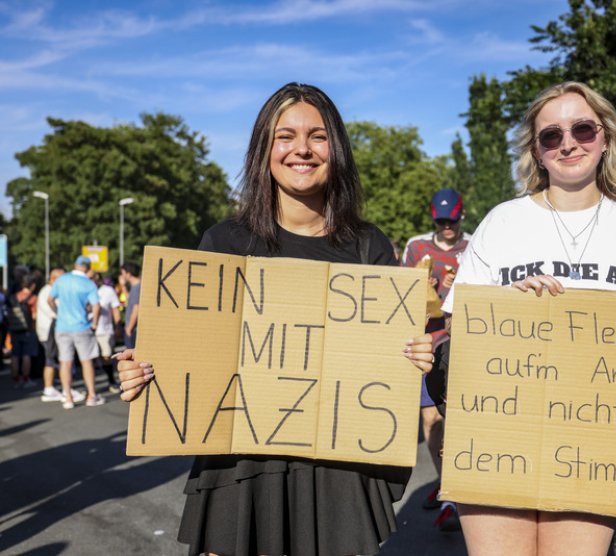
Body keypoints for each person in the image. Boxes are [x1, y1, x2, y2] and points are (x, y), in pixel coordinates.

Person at [116, 82, 435, 556]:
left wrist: (415, 355)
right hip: (242, 467)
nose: (301, 149)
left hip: (336, 472)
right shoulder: (224, 243)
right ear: (264, 149)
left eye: (318, 136)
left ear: (337, 149)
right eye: (285, 136)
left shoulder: (369, 246)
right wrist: (143, 370)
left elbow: (392, 358)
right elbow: (192, 357)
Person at [442, 82, 616, 555]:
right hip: (498, 435)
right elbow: (456, 328)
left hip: (594, 440)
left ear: (606, 138)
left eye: (582, 129)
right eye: (551, 135)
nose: (568, 142)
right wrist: (506, 308)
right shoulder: (502, 221)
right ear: (536, 151)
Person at [401, 188, 469, 530]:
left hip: (460, 347)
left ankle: (462, 488)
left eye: (452, 222)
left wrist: (459, 284)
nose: (447, 228)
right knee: (430, 420)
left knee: (459, 421)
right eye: (441, 222)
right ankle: (447, 490)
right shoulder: (416, 247)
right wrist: (418, 284)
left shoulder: (474, 247)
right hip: (426, 346)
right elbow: (399, 295)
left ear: (462, 217)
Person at [48, 256, 103, 409]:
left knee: (65, 362)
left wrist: (58, 313)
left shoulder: (62, 280)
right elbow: (96, 306)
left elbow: (50, 299)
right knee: (86, 361)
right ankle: (91, 395)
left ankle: (68, 397)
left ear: (75, 265)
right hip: (82, 326)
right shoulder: (88, 283)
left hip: (62, 326)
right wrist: (95, 323)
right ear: (88, 268)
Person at [37, 267, 83, 403]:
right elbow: (55, 311)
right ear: (54, 279)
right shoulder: (48, 291)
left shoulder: (49, 290)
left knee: (55, 360)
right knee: (54, 360)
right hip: (50, 331)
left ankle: (56, 388)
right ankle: (57, 389)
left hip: (51, 330)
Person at [8, 273, 39, 388]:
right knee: (27, 354)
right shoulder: (33, 298)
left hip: (15, 328)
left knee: (15, 355)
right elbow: (35, 316)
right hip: (28, 330)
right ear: (33, 285)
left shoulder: (14, 296)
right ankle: (26, 378)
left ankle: (16, 379)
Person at [93, 273, 122, 393]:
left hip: (104, 330)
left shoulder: (108, 291)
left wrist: (118, 326)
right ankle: (92, 388)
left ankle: (112, 381)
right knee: (90, 359)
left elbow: (115, 309)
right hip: (86, 330)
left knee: (106, 356)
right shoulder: (84, 290)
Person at [120, 263, 141, 350]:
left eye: (123, 273)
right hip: (131, 328)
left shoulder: (137, 287)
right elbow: (130, 300)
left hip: (133, 329)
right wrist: (123, 286)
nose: (121, 276)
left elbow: (136, 308)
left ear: (129, 274)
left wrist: (129, 328)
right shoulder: (135, 286)